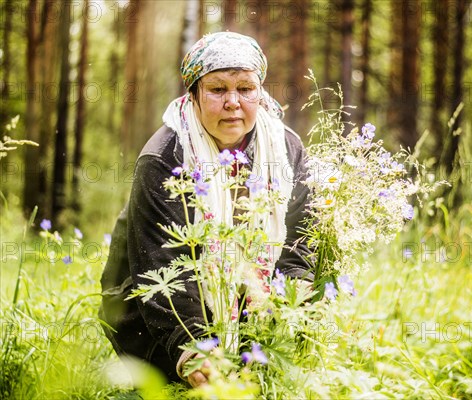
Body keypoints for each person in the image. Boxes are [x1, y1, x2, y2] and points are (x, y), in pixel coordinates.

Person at [99, 32, 313, 387]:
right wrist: (194, 349)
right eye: (217, 89)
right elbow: (160, 265)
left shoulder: (286, 149)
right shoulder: (164, 158)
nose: (233, 102)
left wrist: (292, 304)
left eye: (245, 88)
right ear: (194, 95)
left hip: (250, 301)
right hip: (151, 307)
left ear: (260, 93)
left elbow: (298, 240)